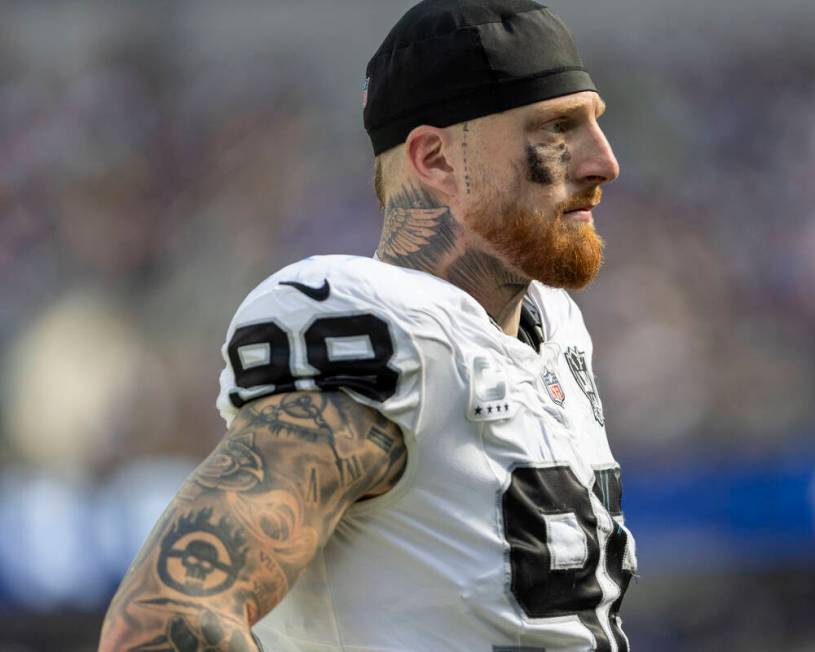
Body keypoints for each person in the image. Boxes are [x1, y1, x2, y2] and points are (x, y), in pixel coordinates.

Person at [98, 0, 636, 650]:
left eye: (592, 125)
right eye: (556, 129)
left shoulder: (556, 332)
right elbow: (168, 620)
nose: (602, 162)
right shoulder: (374, 327)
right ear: (436, 161)